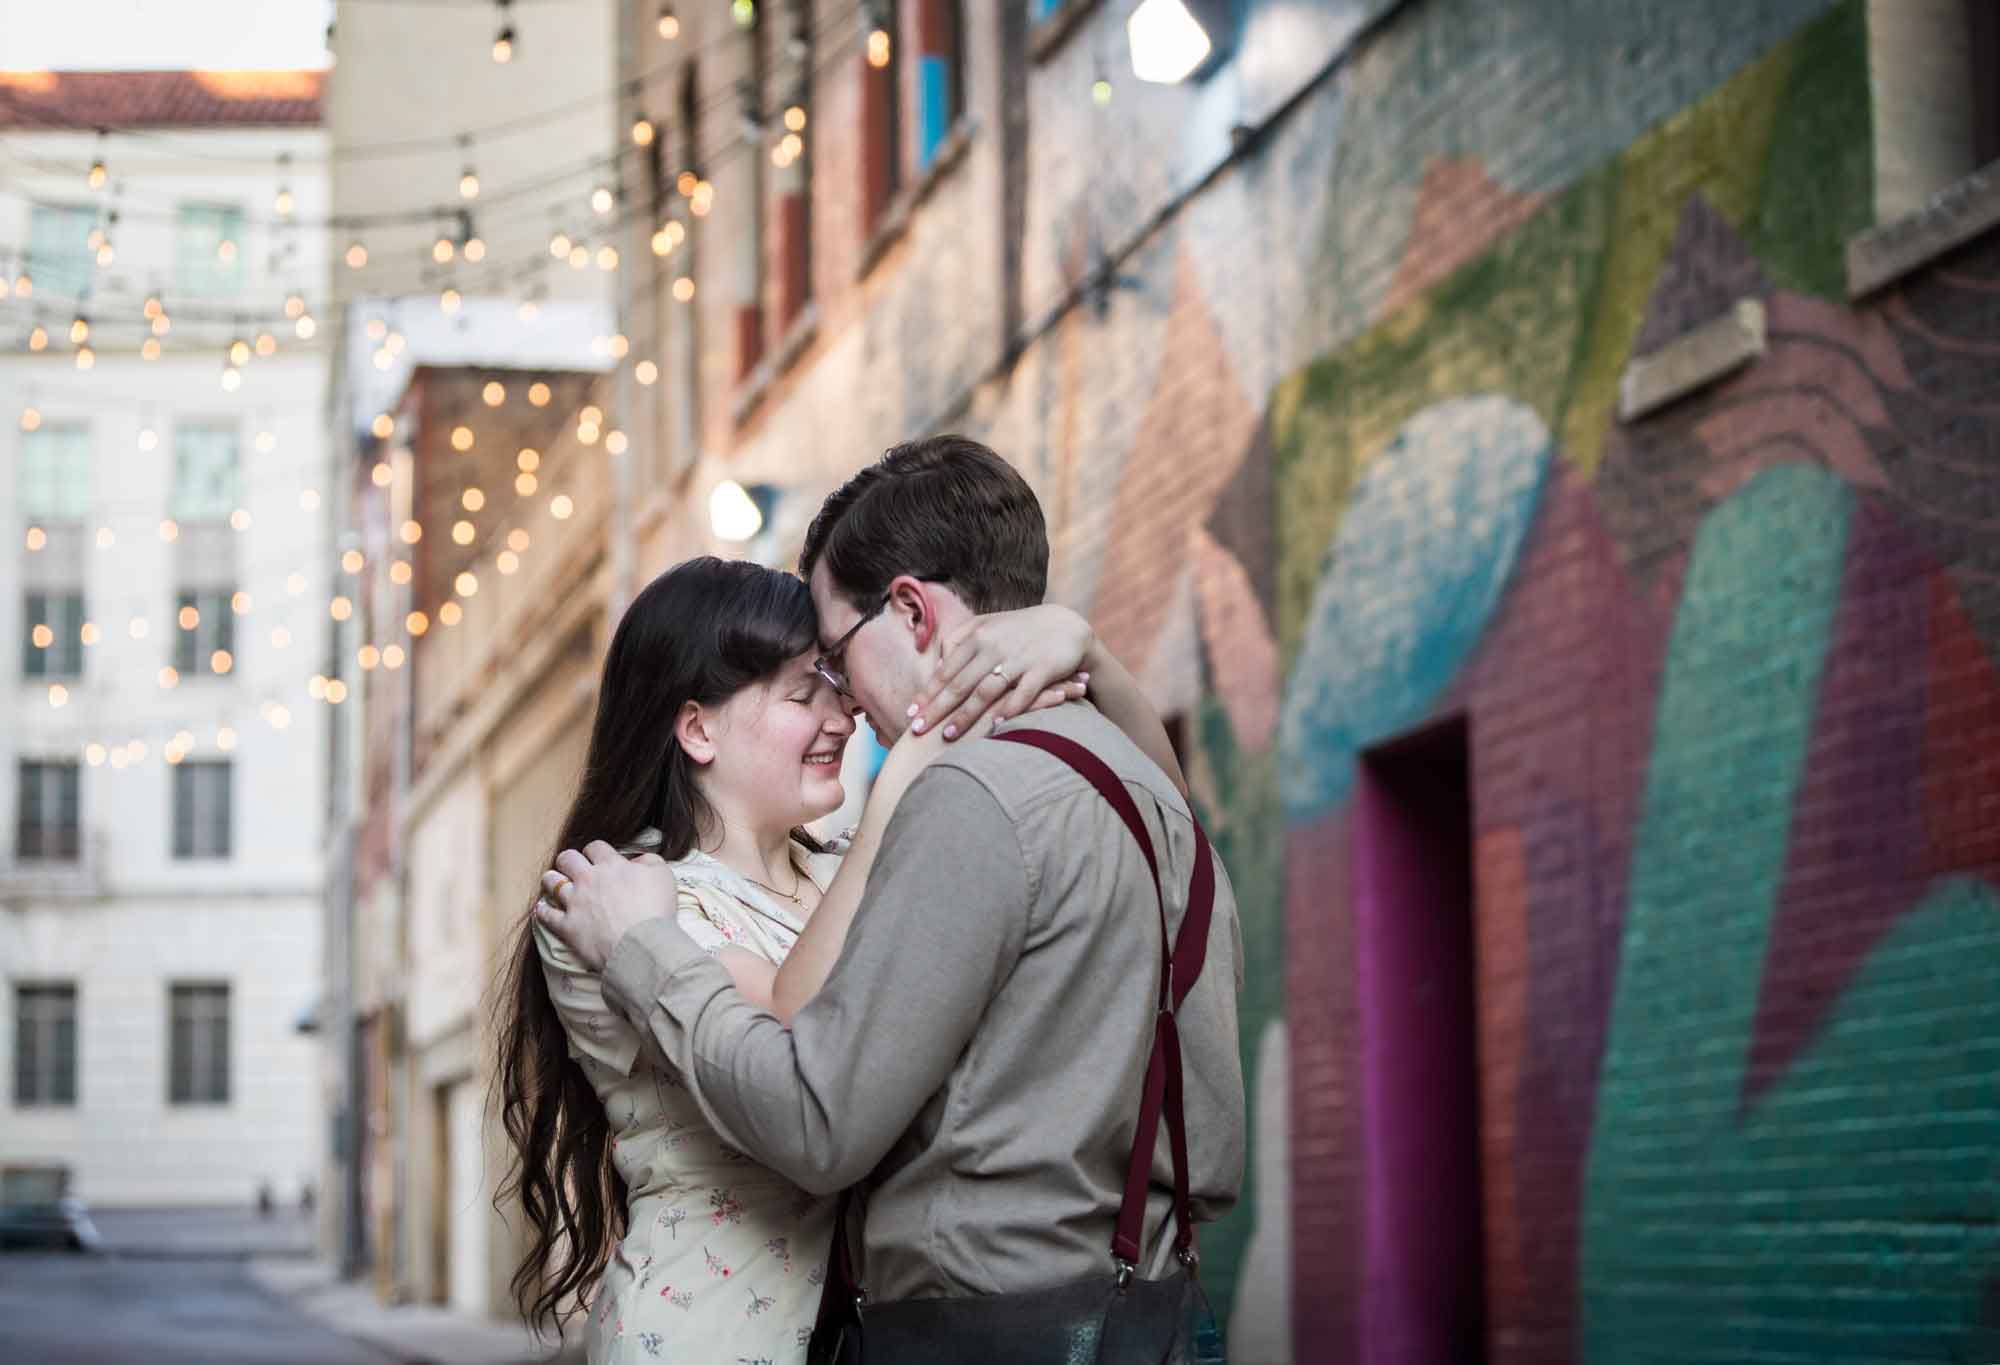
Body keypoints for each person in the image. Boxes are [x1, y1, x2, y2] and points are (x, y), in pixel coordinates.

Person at [535, 435, 1246, 1358]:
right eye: (806, 688)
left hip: (985, 1319)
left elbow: (812, 1108)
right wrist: (1086, 654)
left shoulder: (964, 803)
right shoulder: (1145, 795)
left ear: (910, 610)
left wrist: (914, 774)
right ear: (696, 729)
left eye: (837, 660)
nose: (845, 709)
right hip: (1126, 1299)